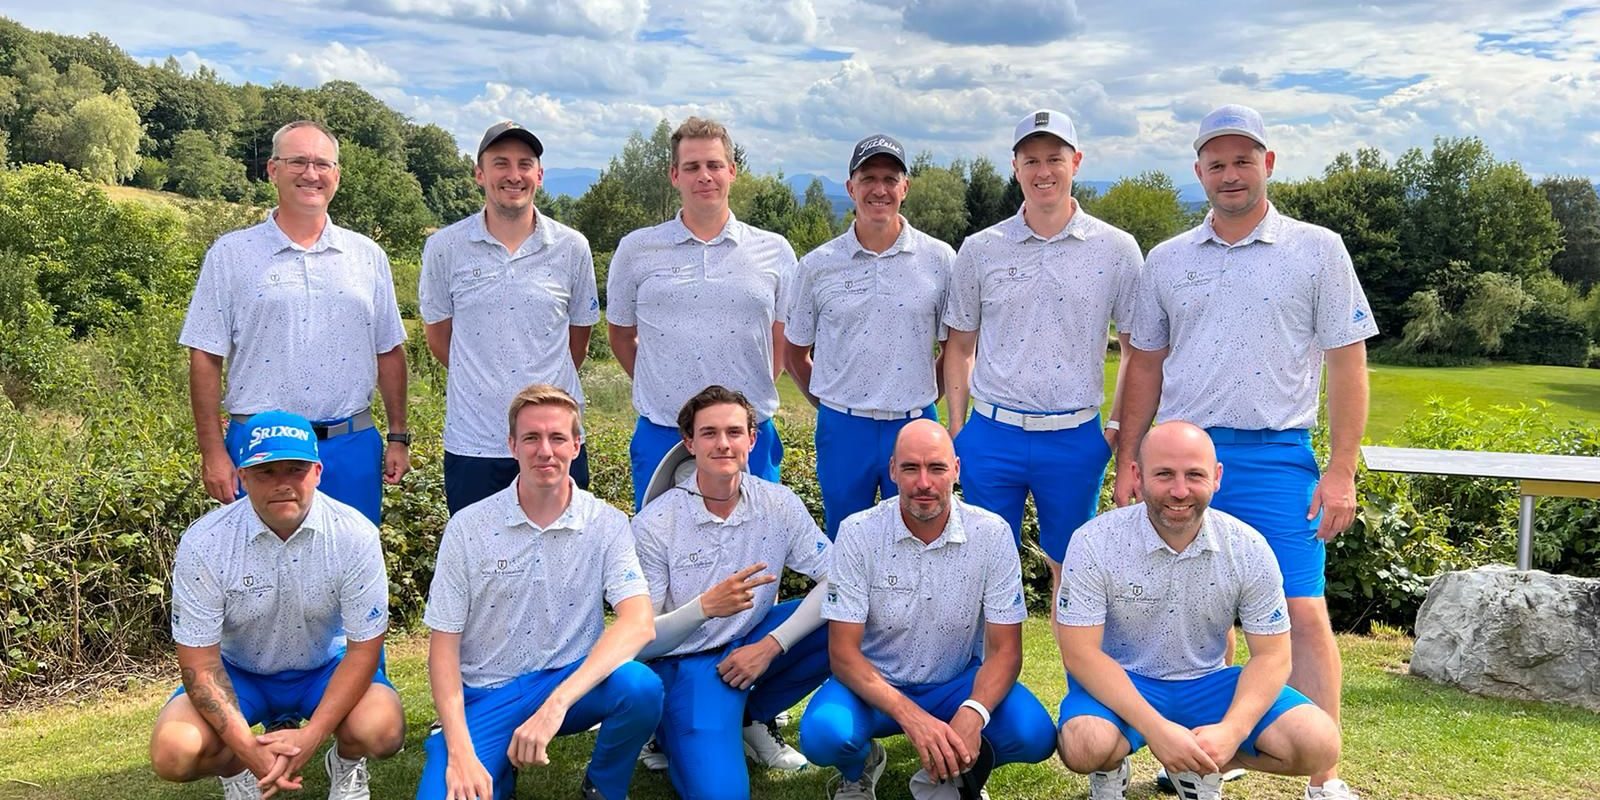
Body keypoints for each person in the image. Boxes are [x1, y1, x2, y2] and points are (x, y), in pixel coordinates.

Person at [1114, 104, 1378, 800]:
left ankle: (1324, 777)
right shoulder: (1168, 259)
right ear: (1199, 171)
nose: (1230, 174)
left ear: (1269, 164)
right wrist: (1130, 460)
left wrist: (1341, 470)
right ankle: (1213, 751)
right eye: (1217, 163)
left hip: (1277, 455)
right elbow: (1144, 364)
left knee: (1302, 609)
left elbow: (1347, 361)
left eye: (1243, 160)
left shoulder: (1318, 249)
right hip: (1183, 458)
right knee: (1196, 609)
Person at [1057, 421, 1342, 800]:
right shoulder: (1094, 542)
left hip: (1208, 683)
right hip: (1125, 679)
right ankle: (1110, 766)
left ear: (1217, 477)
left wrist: (1232, 732)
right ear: (1137, 476)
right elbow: (1080, 653)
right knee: (1084, 744)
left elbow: (1273, 656)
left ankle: (1202, 765)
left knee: (1319, 743)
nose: (1180, 490)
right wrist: (1158, 730)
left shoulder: (1248, 547)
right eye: (1164, 475)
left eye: (1194, 475)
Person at [417, 385, 662, 800]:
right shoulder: (468, 528)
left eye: (557, 437)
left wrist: (555, 706)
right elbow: (443, 648)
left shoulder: (606, 523)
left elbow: (639, 623)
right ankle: (495, 767)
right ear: (512, 446)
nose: (545, 451)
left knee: (640, 688)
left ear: (576, 445)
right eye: (531, 438)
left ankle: (603, 788)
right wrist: (459, 751)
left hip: (569, 683)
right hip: (488, 694)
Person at [149, 410, 405, 800]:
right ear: (242, 476)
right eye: (266, 472)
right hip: (239, 673)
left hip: (325, 668)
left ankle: (346, 762)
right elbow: (199, 664)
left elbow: (364, 651)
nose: (282, 484)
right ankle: (236, 772)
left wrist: (312, 736)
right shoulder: (205, 542)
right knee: (173, 752)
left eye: (295, 469)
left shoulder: (355, 534)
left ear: (317, 472)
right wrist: (247, 751)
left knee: (382, 729)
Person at [942, 109, 1142, 601]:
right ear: (1015, 168)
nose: (1043, 171)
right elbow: (960, 345)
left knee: (1072, 575)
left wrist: (1116, 429)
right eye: (1031, 160)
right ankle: (991, 659)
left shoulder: (1117, 249)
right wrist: (958, 430)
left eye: (1055, 158)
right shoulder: (980, 249)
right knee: (986, 573)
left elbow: (1136, 351)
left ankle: (1075, 659)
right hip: (992, 435)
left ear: (1077, 161)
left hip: (1075, 437)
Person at [800, 420, 1057, 800]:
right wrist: (913, 718)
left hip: (956, 682)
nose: (924, 482)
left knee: (1034, 734)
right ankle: (860, 767)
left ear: (956, 469)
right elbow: (842, 654)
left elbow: (1006, 651)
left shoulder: (992, 534)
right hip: (875, 686)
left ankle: (956, 764)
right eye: (910, 468)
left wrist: (973, 713)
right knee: (824, 736)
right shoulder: (858, 532)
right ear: (892, 470)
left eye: (936, 468)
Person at [180, 120, 410, 525]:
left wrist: (398, 436)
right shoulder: (231, 254)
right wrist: (212, 451)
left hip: (350, 446)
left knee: (351, 557)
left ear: (337, 174)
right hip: (260, 449)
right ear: (272, 170)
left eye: (322, 164)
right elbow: (205, 356)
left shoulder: (367, 256)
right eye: (298, 162)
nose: (311, 173)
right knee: (258, 559)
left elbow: (389, 350)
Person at [630, 385, 835, 798]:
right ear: (689, 442)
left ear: (752, 439)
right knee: (721, 794)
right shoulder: (654, 523)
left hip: (753, 640)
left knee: (849, 623)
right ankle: (668, 730)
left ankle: (749, 718)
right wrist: (704, 608)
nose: (723, 443)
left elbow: (839, 580)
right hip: (685, 661)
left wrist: (773, 645)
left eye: (734, 432)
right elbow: (640, 641)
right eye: (709, 433)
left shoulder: (778, 503)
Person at [607, 117, 796, 510]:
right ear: (674, 175)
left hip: (749, 435)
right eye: (692, 167)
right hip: (663, 432)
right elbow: (621, 335)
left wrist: (748, 393)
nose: (704, 176)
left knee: (758, 541)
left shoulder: (774, 250)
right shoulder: (636, 250)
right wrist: (662, 385)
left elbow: (781, 335)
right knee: (659, 544)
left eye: (714, 165)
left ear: (732, 171)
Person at [420, 121, 600, 513]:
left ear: (540, 175)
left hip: (555, 442)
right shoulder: (444, 247)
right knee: (477, 549)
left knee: (565, 546)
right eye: (500, 163)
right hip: (474, 442)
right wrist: (487, 375)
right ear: (479, 173)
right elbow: (439, 338)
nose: (514, 175)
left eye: (525, 164)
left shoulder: (572, 247)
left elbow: (577, 342)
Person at [784, 133, 954, 539]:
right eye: (868, 179)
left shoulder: (940, 259)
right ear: (850, 187)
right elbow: (794, 353)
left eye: (890, 179)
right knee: (844, 538)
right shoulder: (817, 265)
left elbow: (956, 349)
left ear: (905, 187)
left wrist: (923, 397)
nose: (880, 189)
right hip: (843, 429)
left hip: (914, 423)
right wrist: (831, 403)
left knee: (920, 536)